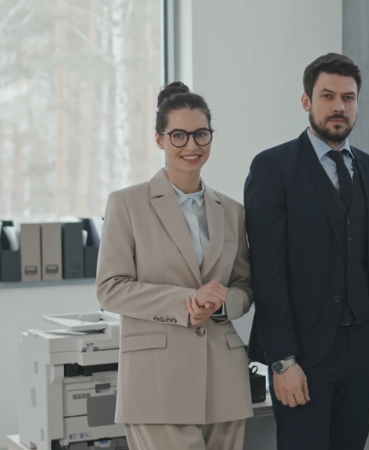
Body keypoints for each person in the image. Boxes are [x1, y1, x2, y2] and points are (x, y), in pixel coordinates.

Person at [245, 53, 369, 450]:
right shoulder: (272, 167)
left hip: (363, 346)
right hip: (302, 356)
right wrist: (282, 360)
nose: (339, 106)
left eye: (348, 97)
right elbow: (267, 270)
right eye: (327, 95)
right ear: (306, 101)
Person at [96, 82, 254, 450]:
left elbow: (245, 286)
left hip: (224, 381)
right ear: (159, 139)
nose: (192, 146)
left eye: (201, 134)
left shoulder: (231, 211)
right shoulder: (126, 204)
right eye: (178, 135)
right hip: (156, 382)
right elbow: (111, 288)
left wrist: (219, 306)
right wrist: (187, 303)